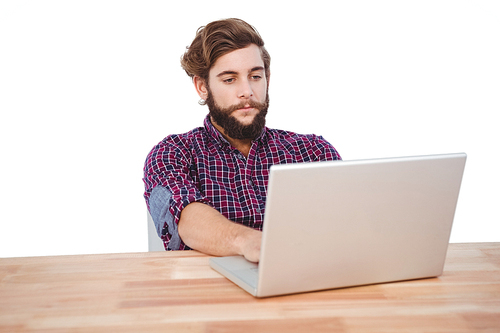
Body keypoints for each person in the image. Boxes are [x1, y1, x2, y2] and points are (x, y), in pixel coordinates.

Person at [143, 18, 341, 262]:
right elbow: (186, 218)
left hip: (301, 284)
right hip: (208, 291)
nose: (247, 91)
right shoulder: (173, 153)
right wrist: (251, 243)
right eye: (229, 79)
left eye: (255, 76)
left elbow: (344, 226)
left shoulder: (312, 152)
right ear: (202, 86)